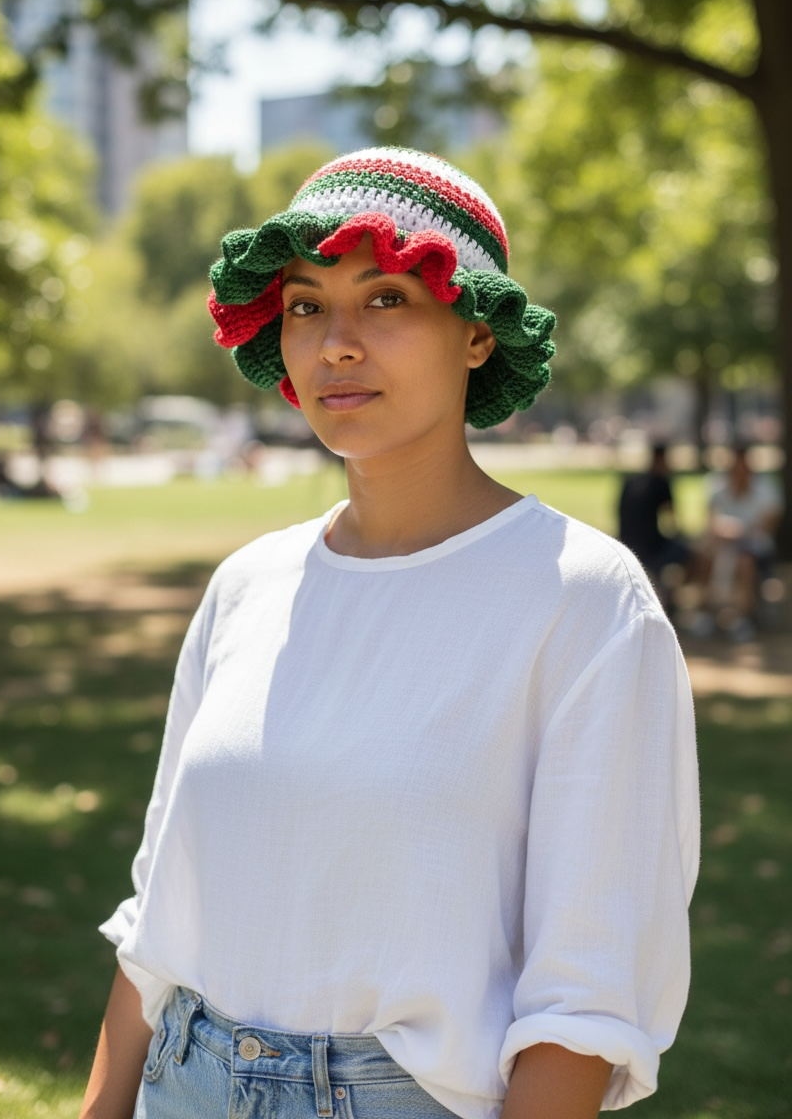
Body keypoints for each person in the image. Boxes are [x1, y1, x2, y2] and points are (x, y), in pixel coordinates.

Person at [80, 148, 699, 1119]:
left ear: (476, 335)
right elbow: (161, 913)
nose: (335, 344)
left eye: (386, 300)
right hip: (182, 1082)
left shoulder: (584, 602)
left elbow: (583, 1005)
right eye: (304, 305)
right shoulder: (246, 587)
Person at [697, 443, 783, 641]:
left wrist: (739, 531)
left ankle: (743, 616)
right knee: (705, 555)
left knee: (745, 562)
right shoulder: (716, 485)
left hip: (755, 546)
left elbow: (768, 524)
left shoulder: (766, 488)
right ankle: (708, 610)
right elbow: (712, 520)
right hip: (723, 544)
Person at [617, 443, 691, 604]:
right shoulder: (661, 482)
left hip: (626, 543)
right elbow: (671, 521)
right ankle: (672, 598)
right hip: (651, 548)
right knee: (688, 553)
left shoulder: (630, 482)